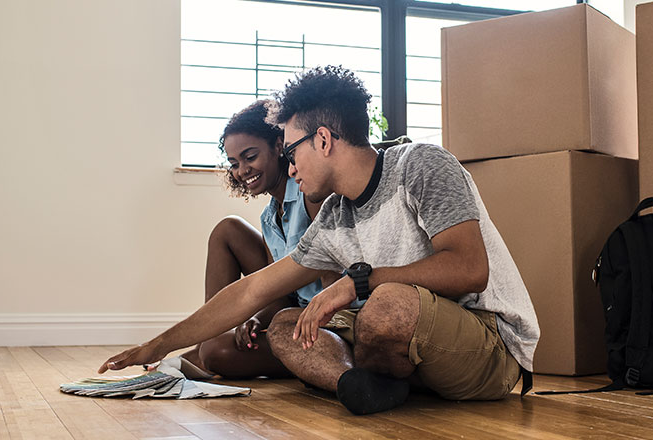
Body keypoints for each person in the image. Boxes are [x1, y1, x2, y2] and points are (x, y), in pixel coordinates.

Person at [100, 65, 540, 416]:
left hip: (488, 343)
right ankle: (359, 388)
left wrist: (357, 283)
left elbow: (469, 268)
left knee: (385, 303)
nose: (289, 168)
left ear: (324, 140)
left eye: (291, 152)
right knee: (287, 324)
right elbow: (252, 290)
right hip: (398, 343)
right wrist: (158, 345)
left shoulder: (421, 165)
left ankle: (380, 377)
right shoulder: (333, 215)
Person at [174, 99, 326, 379]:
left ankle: (206, 351)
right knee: (227, 230)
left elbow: (318, 280)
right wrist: (256, 318)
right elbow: (280, 292)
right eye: (234, 163)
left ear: (278, 146)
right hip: (292, 310)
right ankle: (206, 339)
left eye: (250, 156)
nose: (242, 170)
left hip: (320, 323)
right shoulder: (270, 218)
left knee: (217, 353)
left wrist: (263, 319)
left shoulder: (310, 194)